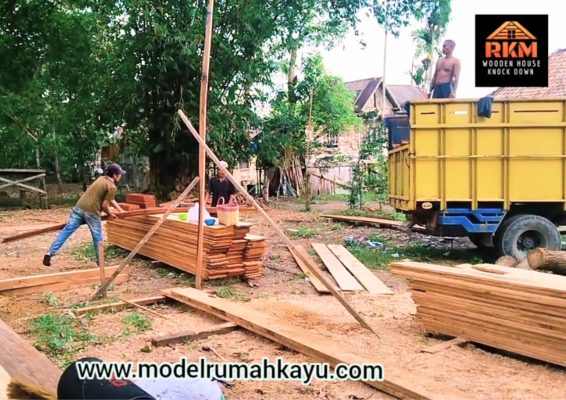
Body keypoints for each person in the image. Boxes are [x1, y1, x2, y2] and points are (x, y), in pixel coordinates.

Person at [43, 163, 126, 267]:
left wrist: (121, 210)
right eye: (119, 174)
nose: (120, 176)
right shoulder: (112, 186)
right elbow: (105, 205)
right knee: (98, 238)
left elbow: (111, 199)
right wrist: (110, 214)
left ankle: (50, 252)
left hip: (79, 208)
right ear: (114, 175)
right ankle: (101, 262)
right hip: (91, 212)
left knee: (66, 231)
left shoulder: (101, 179)